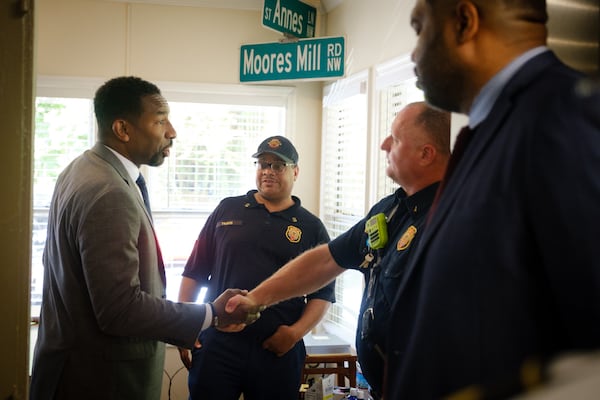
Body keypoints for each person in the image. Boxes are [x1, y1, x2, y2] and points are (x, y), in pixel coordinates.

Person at [380, 0, 600, 398]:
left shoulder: (561, 119)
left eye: (419, 28)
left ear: (464, 22)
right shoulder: (490, 131)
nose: (413, 53)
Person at [29, 76, 259, 400]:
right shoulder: (108, 191)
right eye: (160, 120)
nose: (172, 132)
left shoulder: (80, 169)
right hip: (101, 381)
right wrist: (211, 313)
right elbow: (119, 308)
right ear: (123, 130)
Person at [224, 102, 451, 399]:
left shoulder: (453, 218)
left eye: (394, 139)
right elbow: (325, 261)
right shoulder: (390, 211)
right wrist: (255, 299)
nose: (383, 144)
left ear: (426, 154)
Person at [177, 135, 336, 400]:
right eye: (263, 164)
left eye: (278, 165)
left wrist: (294, 334)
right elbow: (194, 271)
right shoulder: (227, 209)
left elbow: (323, 294)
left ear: (295, 171)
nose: (268, 172)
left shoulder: (311, 227)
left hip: (276, 349)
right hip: (218, 343)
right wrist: (184, 326)